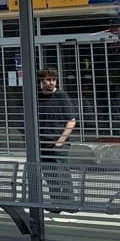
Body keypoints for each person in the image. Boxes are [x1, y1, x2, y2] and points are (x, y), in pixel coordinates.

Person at [37, 68, 78, 205]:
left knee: (62, 174)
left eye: (53, 80)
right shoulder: (37, 97)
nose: (51, 83)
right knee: (50, 175)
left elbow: (71, 121)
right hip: (43, 143)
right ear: (41, 81)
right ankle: (56, 203)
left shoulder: (61, 96)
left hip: (58, 143)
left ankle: (69, 203)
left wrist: (60, 142)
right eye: (48, 80)